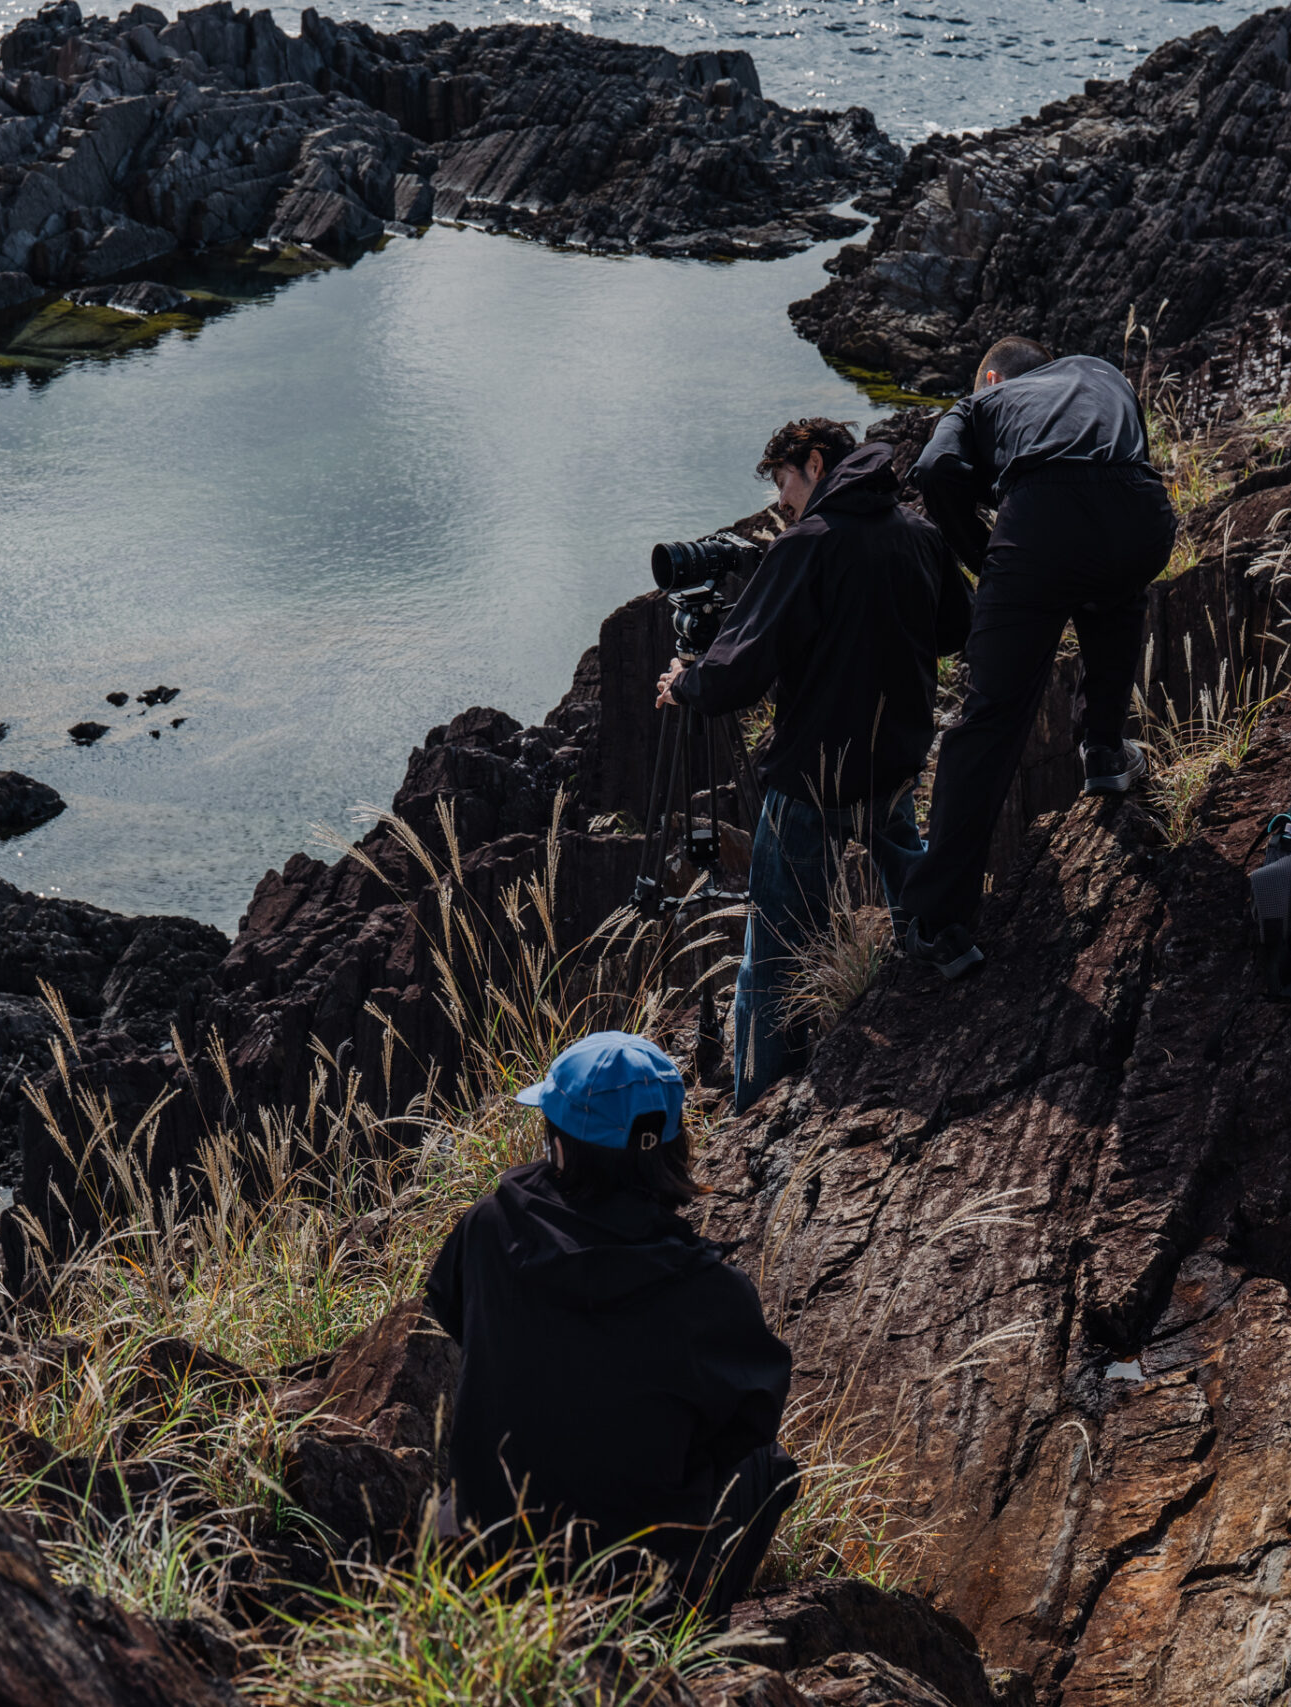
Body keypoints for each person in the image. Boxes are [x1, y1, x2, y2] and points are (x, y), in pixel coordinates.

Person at [424, 1031, 796, 1617]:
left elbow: (453, 1313)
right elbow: (747, 1422)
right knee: (767, 1466)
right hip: (631, 1603)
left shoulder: (490, 1225)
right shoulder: (711, 1294)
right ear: (672, 1149)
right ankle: (688, 1635)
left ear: (563, 1146)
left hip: (485, 1564)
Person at [654, 419, 967, 1112]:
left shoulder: (809, 545)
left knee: (775, 955)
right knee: (910, 883)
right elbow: (955, 626)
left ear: (817, 463)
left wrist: (686, 680)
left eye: (785, 483)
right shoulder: (917, 533)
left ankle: (760, 1101)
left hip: (811, 782)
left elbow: (738, 674)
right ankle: (944, 970)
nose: (782, 503)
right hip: (893, 764)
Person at [898, 337, 1179, 981]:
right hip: (1142, 510)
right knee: (1115, 595)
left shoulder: (978, 402)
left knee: (990, 719)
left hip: (1039, 526)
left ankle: (938, 925)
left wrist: (984, 556)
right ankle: (1105, 752)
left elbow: (936, 471)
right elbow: (1124, 454)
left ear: (991, 378)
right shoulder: (1104, 368)